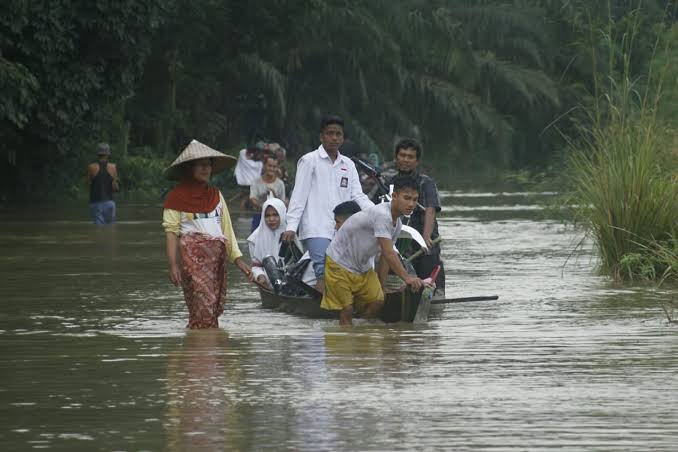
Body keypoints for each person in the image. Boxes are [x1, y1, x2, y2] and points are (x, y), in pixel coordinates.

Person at [162, 140, 253, 329]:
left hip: (216, 263)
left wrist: (239, 261)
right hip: (192, 264)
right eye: (201, 165)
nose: (206, 169)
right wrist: (172, 265)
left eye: (209, 164)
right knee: (205, 307)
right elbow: (171, 232)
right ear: (189, 168)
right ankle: (207, 350)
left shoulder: (216, 195)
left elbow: (225, 232)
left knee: (208, 310)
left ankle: (200, 353)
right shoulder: (175, 197)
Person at [282, 115, 373, 291]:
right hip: (316, 227)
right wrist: (291, 226)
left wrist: (378, 213)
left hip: (343, 227)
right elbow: (298, 196)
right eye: (330, 133)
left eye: (338, 134)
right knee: (323, 270)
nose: (334, 138)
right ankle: (324, 313)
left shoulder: (348, 164)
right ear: (321, 136)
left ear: (343, 137)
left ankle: (342, 306)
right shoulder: (309, 161)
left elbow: (358, 196)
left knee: (348, 269)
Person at [320, 175, 424, 325]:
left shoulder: (398, 224)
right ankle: (345, 342)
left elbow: (385, 256)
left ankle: (361, 333)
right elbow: (389, 253)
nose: (411, 204)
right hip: (339, 263)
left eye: (415, 200)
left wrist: (381, 285)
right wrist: (408, 278)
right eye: (407, 198)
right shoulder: (382, 215)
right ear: (394, 196)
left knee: (377, 302)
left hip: (363, 267)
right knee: (347, 309)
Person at [388, 138, 445, 290]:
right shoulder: (389, 183)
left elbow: (430, 210)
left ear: (417, 161)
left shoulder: (425, 183)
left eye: (410, 157)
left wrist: (425, 238)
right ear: (396, 158)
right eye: (402, 155)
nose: (405, 160)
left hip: (424, 246)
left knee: (432, 290)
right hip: (398, 245)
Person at [247, 198, 287, 288]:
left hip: (292, 282)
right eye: (267, 216)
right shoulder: (254, 239)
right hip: (268, 283)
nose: (271, 219)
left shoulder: (291, 235)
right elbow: (256, 265)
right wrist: (260, 276)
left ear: (282, 214)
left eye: (275, 215)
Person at [248, 156, 286, 230]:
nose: (271, 169)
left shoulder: (280, 183)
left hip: (276, 218)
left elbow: (282, 202)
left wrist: (274, 194)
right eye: (269, 166)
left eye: (274, 166)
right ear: (264, 165)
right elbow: (252, 198)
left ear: (277, 168)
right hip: (259, 215)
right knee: (255, 239)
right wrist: (262, 206)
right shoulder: (256, 182)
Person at [87, 142, 119, 224]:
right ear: (108, 154)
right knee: (110, 230)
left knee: (99, 230)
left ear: (98, 153)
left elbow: (89, 184)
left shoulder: (91, 167)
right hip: (110, 203)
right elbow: (115, 187)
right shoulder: (113, 167)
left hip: (96, 203)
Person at [233, 142, 264, 209]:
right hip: (247, 182)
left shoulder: (257, 161)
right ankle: (242, 212)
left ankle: (244, 210)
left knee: (246, 197)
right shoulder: (257, 161)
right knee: (245, 198)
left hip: (244, 182)